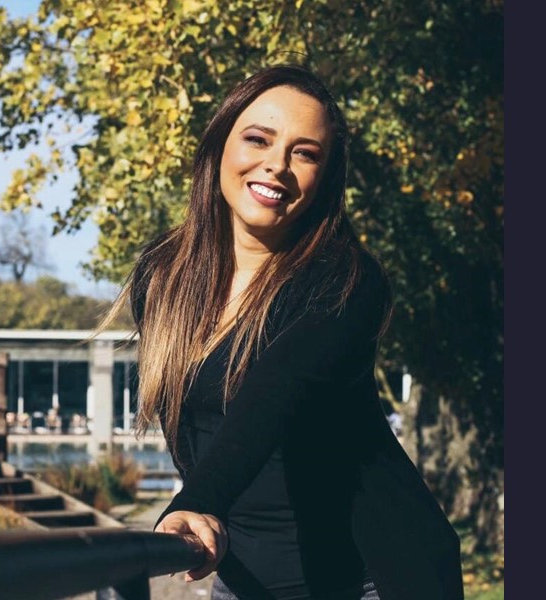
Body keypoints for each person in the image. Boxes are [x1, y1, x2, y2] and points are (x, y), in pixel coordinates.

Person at [98, 64, 464, 599]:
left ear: (325, 178)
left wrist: (196, 502)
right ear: (220, 145)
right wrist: (200, 514)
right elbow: (191, 431)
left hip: (372, 581)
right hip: (245, 580)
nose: (277, 165)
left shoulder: (346, 282)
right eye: (258, 139)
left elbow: (273, 394)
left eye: (305, 153)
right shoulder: (163, 274)